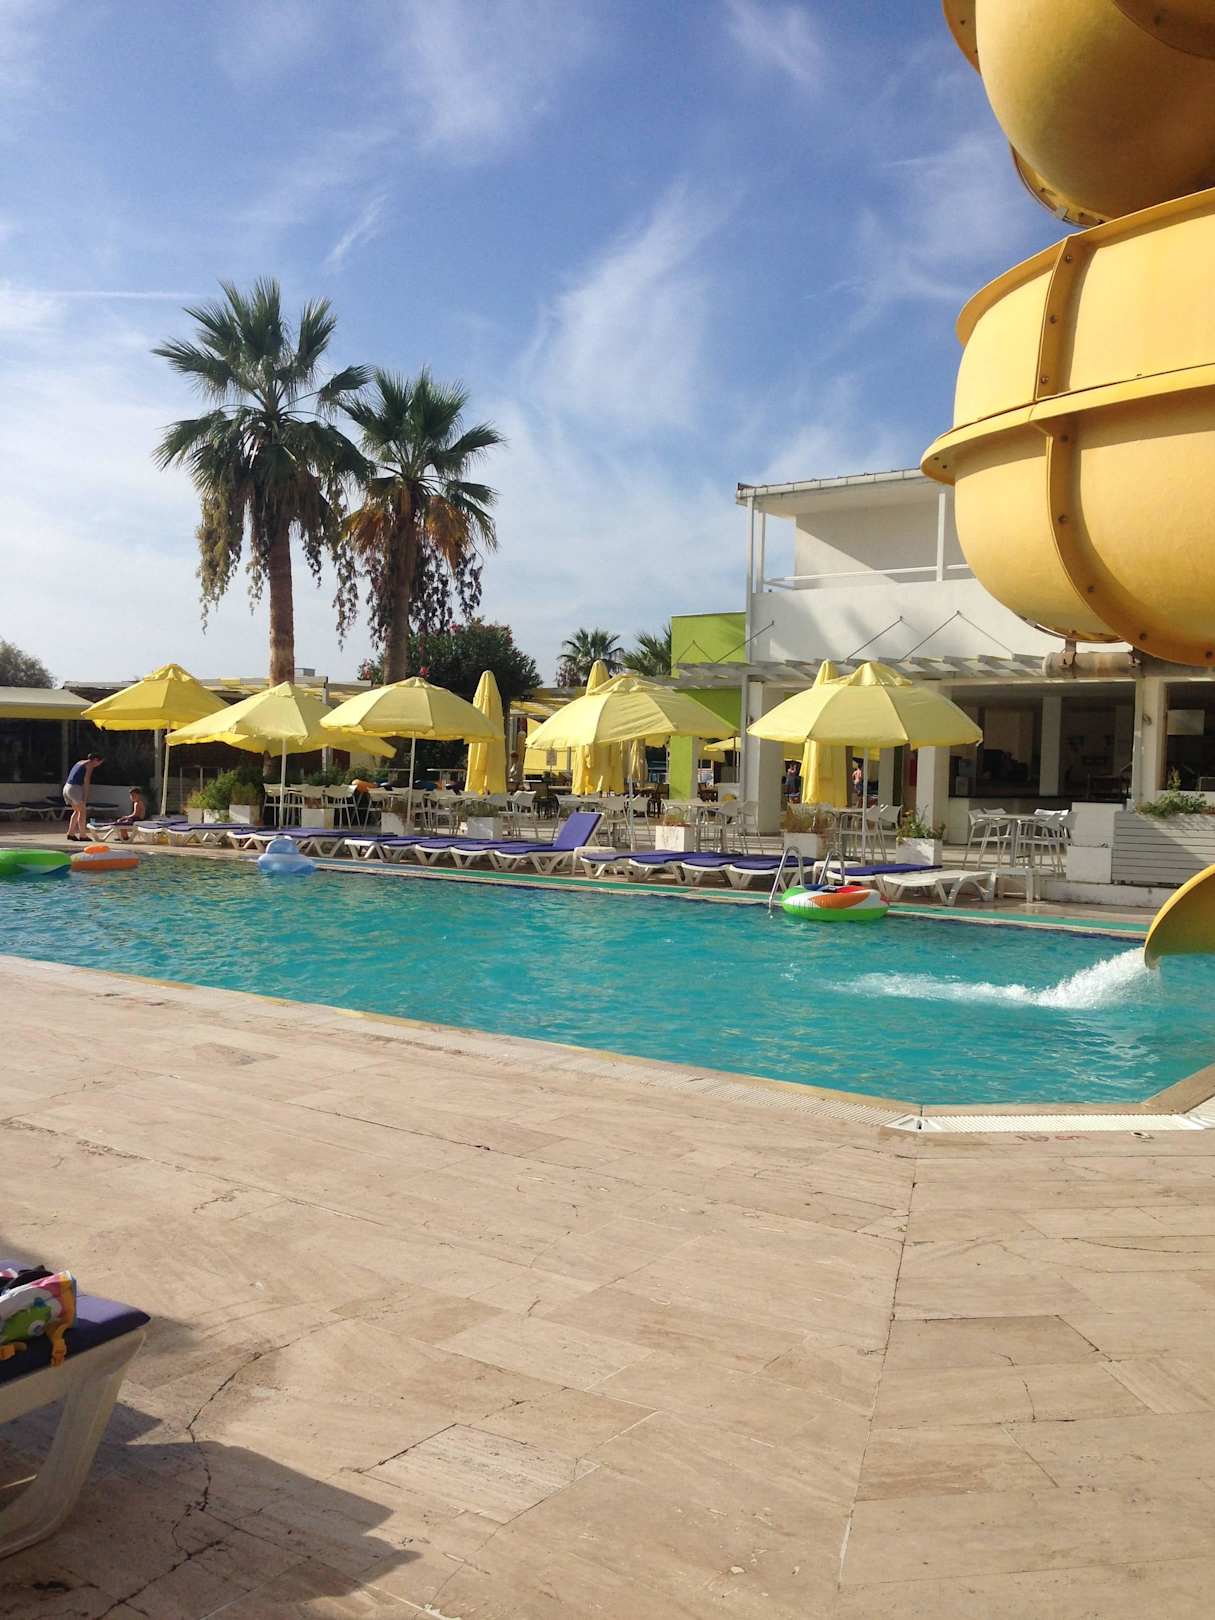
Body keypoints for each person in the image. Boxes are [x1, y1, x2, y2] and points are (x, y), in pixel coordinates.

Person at [63, 754, 103, 841]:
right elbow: (86, 780)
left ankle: (70, 833)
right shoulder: (89, 765)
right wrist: (86, 796)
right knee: (82, 811)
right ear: (95, 760)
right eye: (99, 762)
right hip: (74, 788)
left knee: (77, 811)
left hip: (66, 787)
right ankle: (83, 835)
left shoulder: (80, 762)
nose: (98, 765)